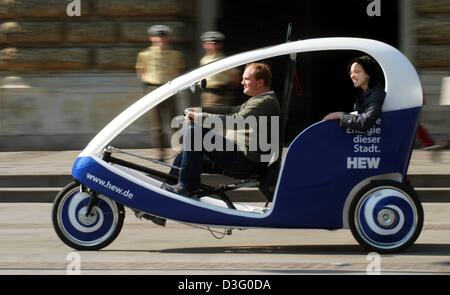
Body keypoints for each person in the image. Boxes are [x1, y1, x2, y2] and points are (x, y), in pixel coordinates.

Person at [162, 62, 281, 197]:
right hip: (236, 156)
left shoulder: (265, 102)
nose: (242, 82)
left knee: (196, 131)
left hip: (243, 161)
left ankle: (187, 186)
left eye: (246, 79)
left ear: (260, 82)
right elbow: (232, 110)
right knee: (184, 156)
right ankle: (164, 194)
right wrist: (199, 110)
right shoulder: (258, 100)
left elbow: (236, 120)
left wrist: (200, 117)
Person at [135, 24, 185, 160]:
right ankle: (160, 153)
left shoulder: (176, 55)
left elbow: (179, 71)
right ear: (151, 38)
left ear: (168, 38)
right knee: (157, 126)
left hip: (169, 88)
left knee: (174, 122)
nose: (160, 39)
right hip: (153, 89)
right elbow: (141, 71)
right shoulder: (144, 54)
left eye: (163, 37)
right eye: (157, 37)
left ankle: (180, 151)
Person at [323, 55, 385, 131]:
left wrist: (339, 115)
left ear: (368, 73)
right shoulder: (362, 94)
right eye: (351, 73)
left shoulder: (377, 93)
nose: (352, 76)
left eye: (357, 72)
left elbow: (365, 122)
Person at [199, 31, 241, 107]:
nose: (212, 46)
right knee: (206, 117)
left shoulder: (224, 60)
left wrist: (226, 90)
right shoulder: (203, 60)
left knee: (221, 117)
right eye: (208, 43)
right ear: (204, 45)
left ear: (220, 45)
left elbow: (236, 77)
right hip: (207, 94)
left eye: (215, 44)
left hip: (221, 94)